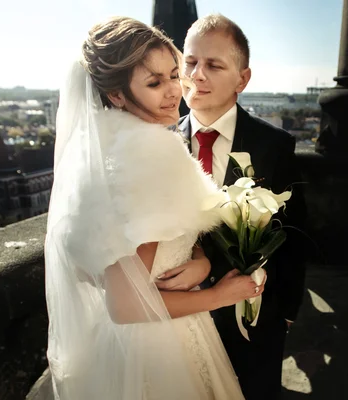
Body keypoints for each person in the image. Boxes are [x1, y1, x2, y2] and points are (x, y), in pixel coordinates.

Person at [44, 16, 265, 399]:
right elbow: (126, 305)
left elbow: (141, 246)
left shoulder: (102, 153)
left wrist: (201, 258)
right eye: (154, 82)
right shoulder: (147, 158)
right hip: (161, 344)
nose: (174, 91)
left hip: (122, 346)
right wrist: (221, 295)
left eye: (173, 75)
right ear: (115, 94)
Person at [176, 14, 308, 400]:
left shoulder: (274, 146)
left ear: (242, 79)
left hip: (254, 323)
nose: (197, 75)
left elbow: (295, 232)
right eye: (190, 61)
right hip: (181, 322)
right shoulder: (159, 144)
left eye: (214, 65)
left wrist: (284, 312)